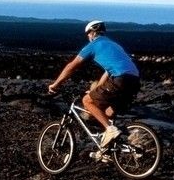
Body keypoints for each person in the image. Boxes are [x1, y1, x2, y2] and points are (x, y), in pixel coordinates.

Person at [48, 20, 141, 148]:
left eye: (88, 34)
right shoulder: (114, 45)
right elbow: (108, 73)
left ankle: (111, 130)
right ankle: (109, 150)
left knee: (87, 101)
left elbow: (71, 66)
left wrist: (56, 84)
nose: (88, 37)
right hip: (134, 80)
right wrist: (96, 89)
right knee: (108, 113)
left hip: (120, 78)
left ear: (92, 33)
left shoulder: (93, 45)